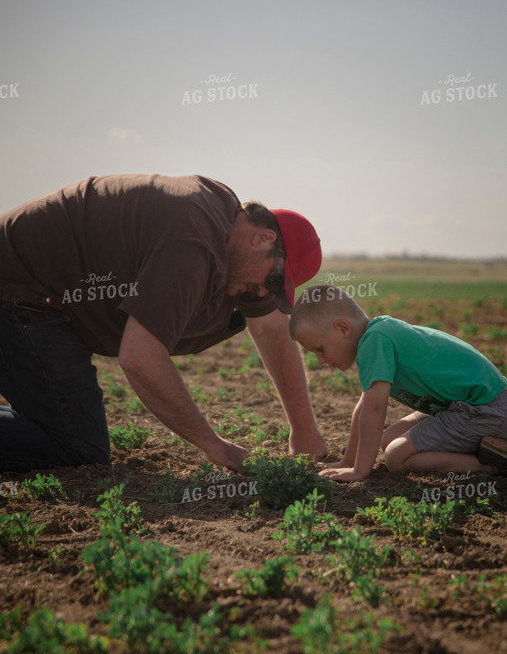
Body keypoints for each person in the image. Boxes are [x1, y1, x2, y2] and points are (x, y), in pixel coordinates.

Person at [0, 174, 326, 473]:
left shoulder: (237, 246)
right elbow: (140, 357)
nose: (262, 292)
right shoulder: (194, 240)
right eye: (272, 282)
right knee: (76, 447)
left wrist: (305, 432)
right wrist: (217, 447)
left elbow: (272, 330)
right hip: (20, 289)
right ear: (262, 239)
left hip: (50, 305)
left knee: (74, 438)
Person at [289, 285, 507, 482]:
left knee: (396, 457)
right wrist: (348, 462)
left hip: (485, 409)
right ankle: (485, 446)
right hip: (471, 405)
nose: (320, 360)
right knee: (388, 439)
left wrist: (359, 471)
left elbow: (375, 410)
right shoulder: (379, 334)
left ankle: (490, 462)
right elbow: (363, 407)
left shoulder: (374, 341)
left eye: (319, 349)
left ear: (343, 329)